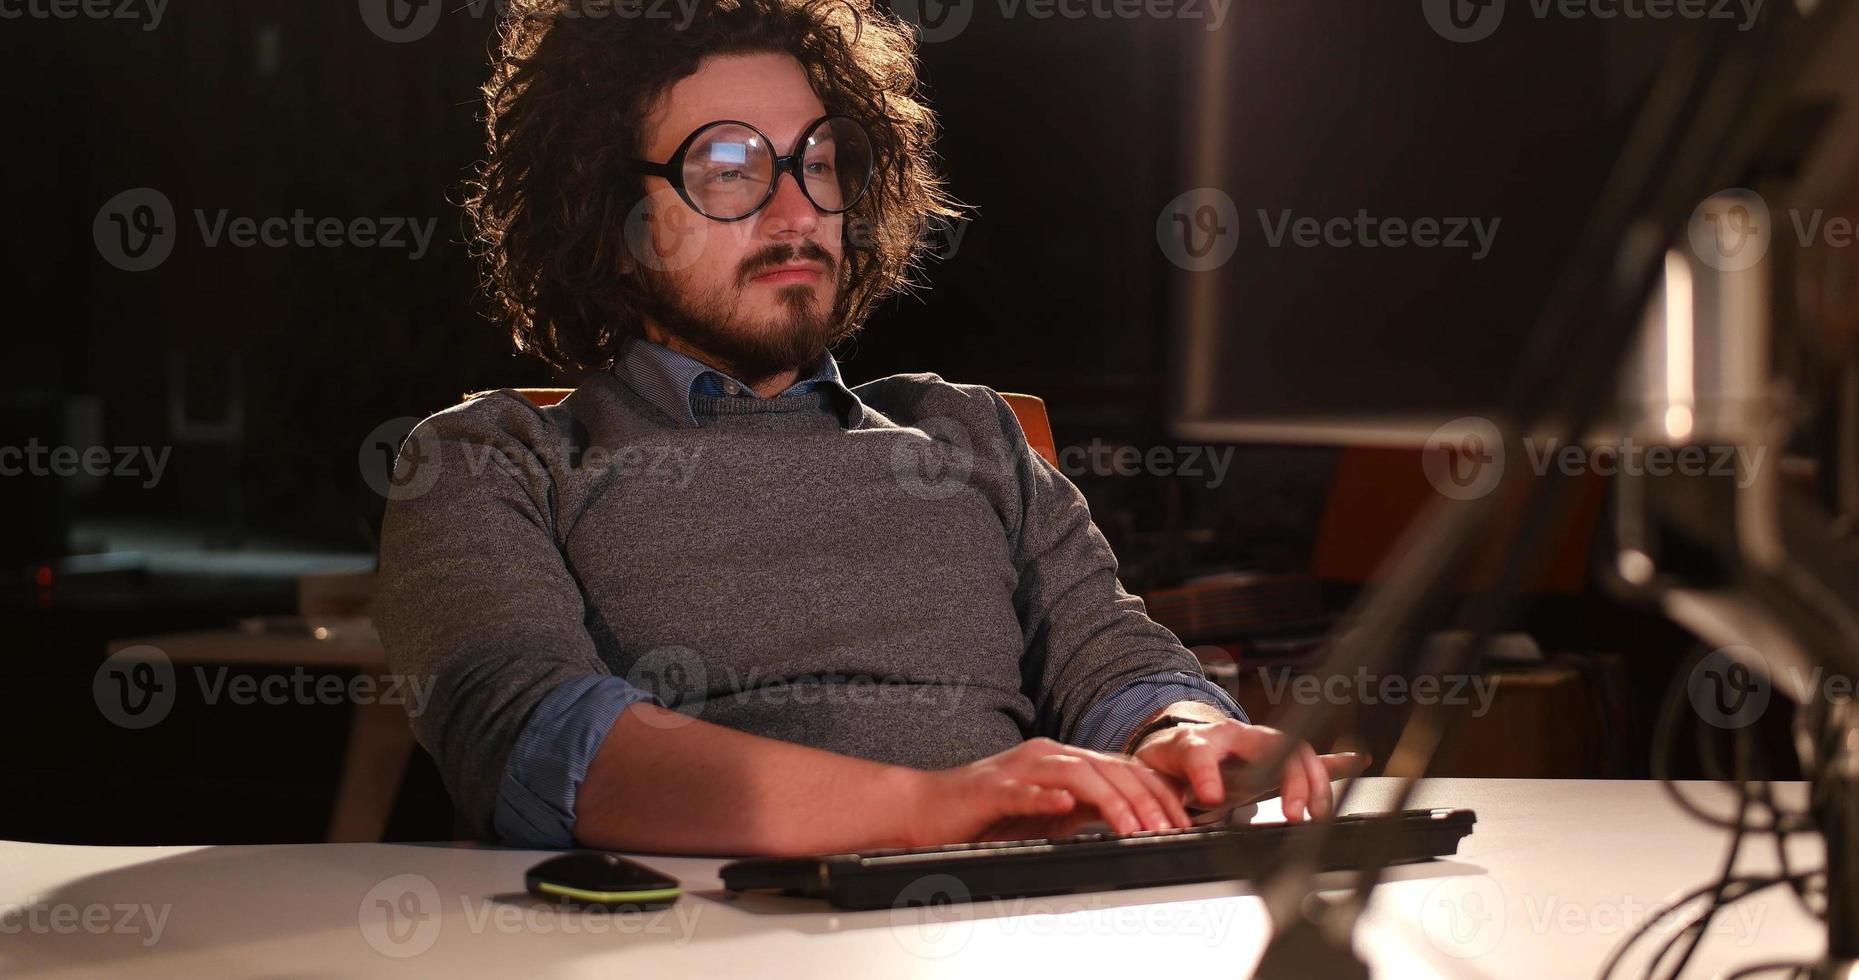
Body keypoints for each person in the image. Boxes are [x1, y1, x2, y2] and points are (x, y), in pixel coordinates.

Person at [376, 0, 1361, 856]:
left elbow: (1112, 657)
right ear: (605, 216)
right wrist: (933, 808)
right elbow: (541, 742)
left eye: (817, 161)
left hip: (1022, 917)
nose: (795, 210)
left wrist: (1175, 732)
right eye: (727, 168)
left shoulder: (965, 431)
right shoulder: (493, 459)